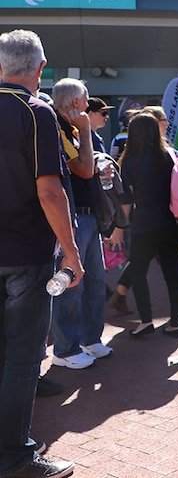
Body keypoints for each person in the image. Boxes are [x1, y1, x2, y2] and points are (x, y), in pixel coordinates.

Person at [0, 28, 82, 478]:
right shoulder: (36, 112)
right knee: (22, 358)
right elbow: (50, 191)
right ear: (39, 69)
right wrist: (72, 252)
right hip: (26, 254)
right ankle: (13, 456)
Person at [50, 78, 113, 369]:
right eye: (86, 99)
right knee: (72, 284)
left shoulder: (71, 128)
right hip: (73, 217)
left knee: (95, 282)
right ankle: (65, 348)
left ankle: (90, 338)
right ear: (75, 102)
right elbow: (84, 170)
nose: (89, 105)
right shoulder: (59, 128)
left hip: (87, 215)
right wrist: (86, 130)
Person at [109, 112, 178, 337]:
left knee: (139, 272)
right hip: (171, 221)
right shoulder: (169, 156)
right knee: (173, 274)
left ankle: (145, 321)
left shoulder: (130, 160)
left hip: (143, 224)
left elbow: (127, 200)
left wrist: (120, 228)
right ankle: (175, 323)